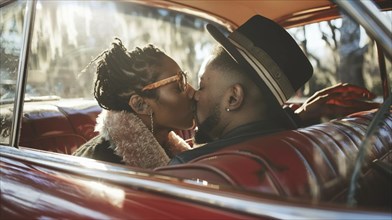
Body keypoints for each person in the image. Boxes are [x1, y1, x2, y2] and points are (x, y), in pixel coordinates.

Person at [167, 15, 379, 165]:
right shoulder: (303, 148)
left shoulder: (189, 167)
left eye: (202, 85)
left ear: (233, 98)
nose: (193, 93)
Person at [73, 38, 195, 169]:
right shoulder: (101, 166)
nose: (193, 91)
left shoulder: (171, 150)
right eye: (179, 85)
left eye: (185, 78)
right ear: (141, 105)